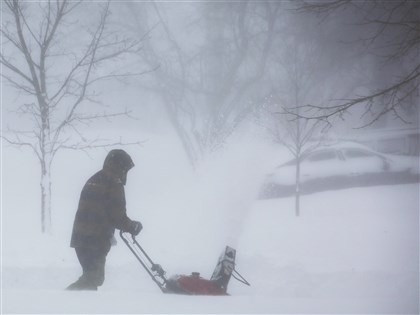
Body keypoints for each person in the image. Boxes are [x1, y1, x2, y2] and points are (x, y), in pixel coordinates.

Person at [67, 149, 142, 291]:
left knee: (91, 278)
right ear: (121, 167)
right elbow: (117, 215)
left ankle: (81, 307)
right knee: (93, 278)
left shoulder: (95, 178)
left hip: (80, 237)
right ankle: (62, 300)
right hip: (95, 239)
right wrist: (133, 226)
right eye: (126, 169)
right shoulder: (113, 183)